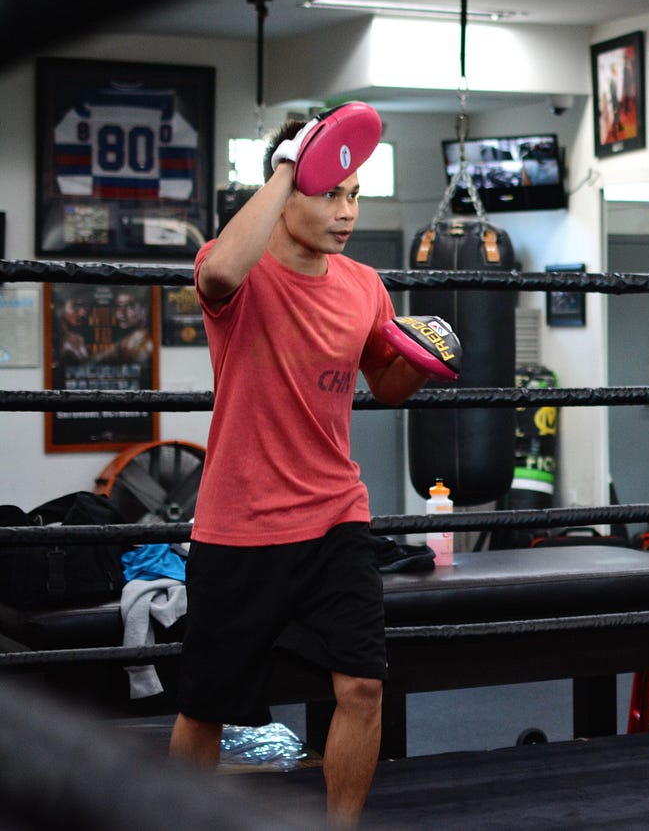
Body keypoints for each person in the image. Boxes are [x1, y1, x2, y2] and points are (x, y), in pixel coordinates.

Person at [167, 105, 457, 827]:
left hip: (336, 517)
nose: (346, 211)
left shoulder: (363, 286)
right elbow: (222, 268)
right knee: (205, 711)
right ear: (287, 188)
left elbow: (383, 385)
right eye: (331, 191)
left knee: (362, 687)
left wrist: (425, 362)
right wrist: (296, 161)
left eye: (355, 194)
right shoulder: (237, 270)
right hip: (242, 524)